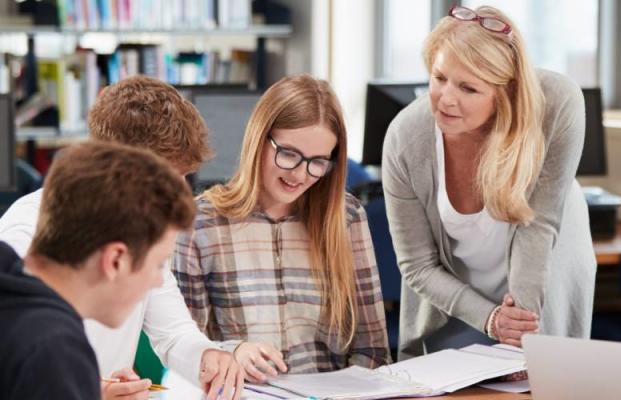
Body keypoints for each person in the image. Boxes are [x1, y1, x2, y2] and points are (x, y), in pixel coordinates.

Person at [0, 75, 242, 400]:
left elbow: (174, 332)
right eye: (167, 177)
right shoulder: (25, 237)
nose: (180, 191)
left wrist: (207, 355)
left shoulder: (140, 232)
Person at [382, 4, 596, 360]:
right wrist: (492, 320)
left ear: (505, 93)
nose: (446, 98)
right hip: (454, 300)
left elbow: (538, 227)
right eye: (439, 78)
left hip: (541, 281)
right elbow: (417, 264)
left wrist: (521, 336)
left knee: (543, 382)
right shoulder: (406, 138)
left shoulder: (556, 103)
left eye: (468, 88)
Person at [173, 74, 389, 379]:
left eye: (318, 161)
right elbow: (182, 350)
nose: (300, 175)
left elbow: (374, 352)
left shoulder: (347, 218)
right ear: (259, 139)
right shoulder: (200, 225)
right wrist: (233, 350)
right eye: (288, 154)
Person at [0, 141, 197, 399]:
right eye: (158, 264)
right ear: (115, 260)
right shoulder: (54, 350)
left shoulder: (13, 291)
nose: (158, 282)